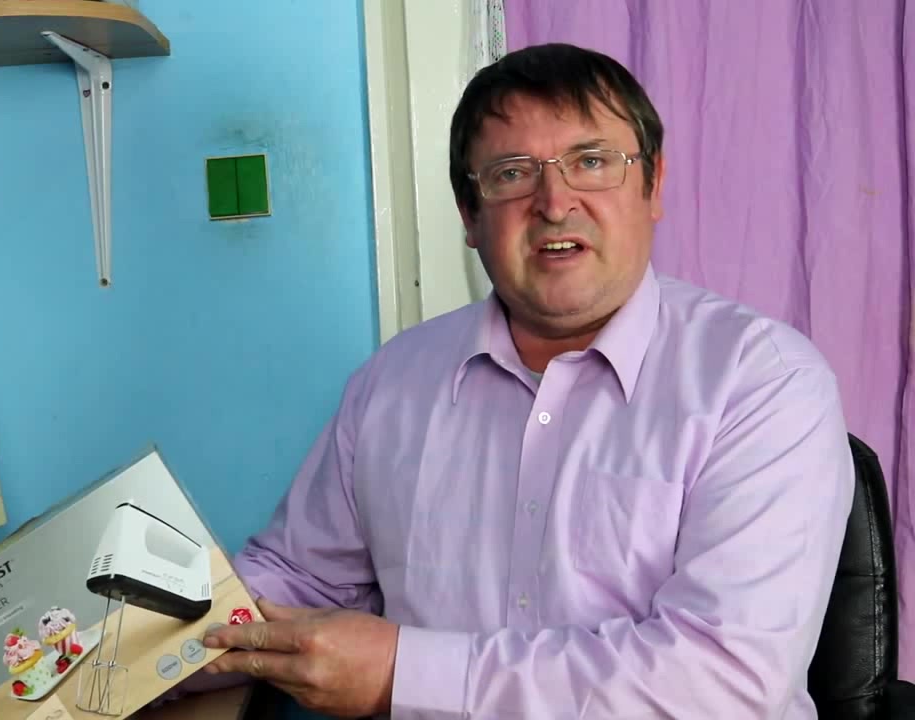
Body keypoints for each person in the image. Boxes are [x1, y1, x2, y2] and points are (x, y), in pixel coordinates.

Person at [194, 42, 855, 719]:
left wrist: (403, 674)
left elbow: (723, 682)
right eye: (512, 174)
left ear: (653, 185)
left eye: (592, 162)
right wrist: (153, 647)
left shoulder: (763, 382)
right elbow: (296, 579)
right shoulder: (391, 382)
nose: (555, 203)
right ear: (469, 214)